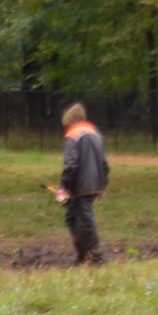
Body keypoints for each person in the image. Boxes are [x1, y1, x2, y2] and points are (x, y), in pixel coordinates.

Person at [51, 99, 108, 266]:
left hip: (80, 185)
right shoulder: (95, 133)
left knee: (81, 218)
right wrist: (103, 185)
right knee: (75, 216)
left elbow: (71, 164)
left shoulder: (72, 135)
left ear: (69, 121)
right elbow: (104, 163)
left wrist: (64, 186)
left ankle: (94, 254)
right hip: (95, 182)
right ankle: (83, 254)